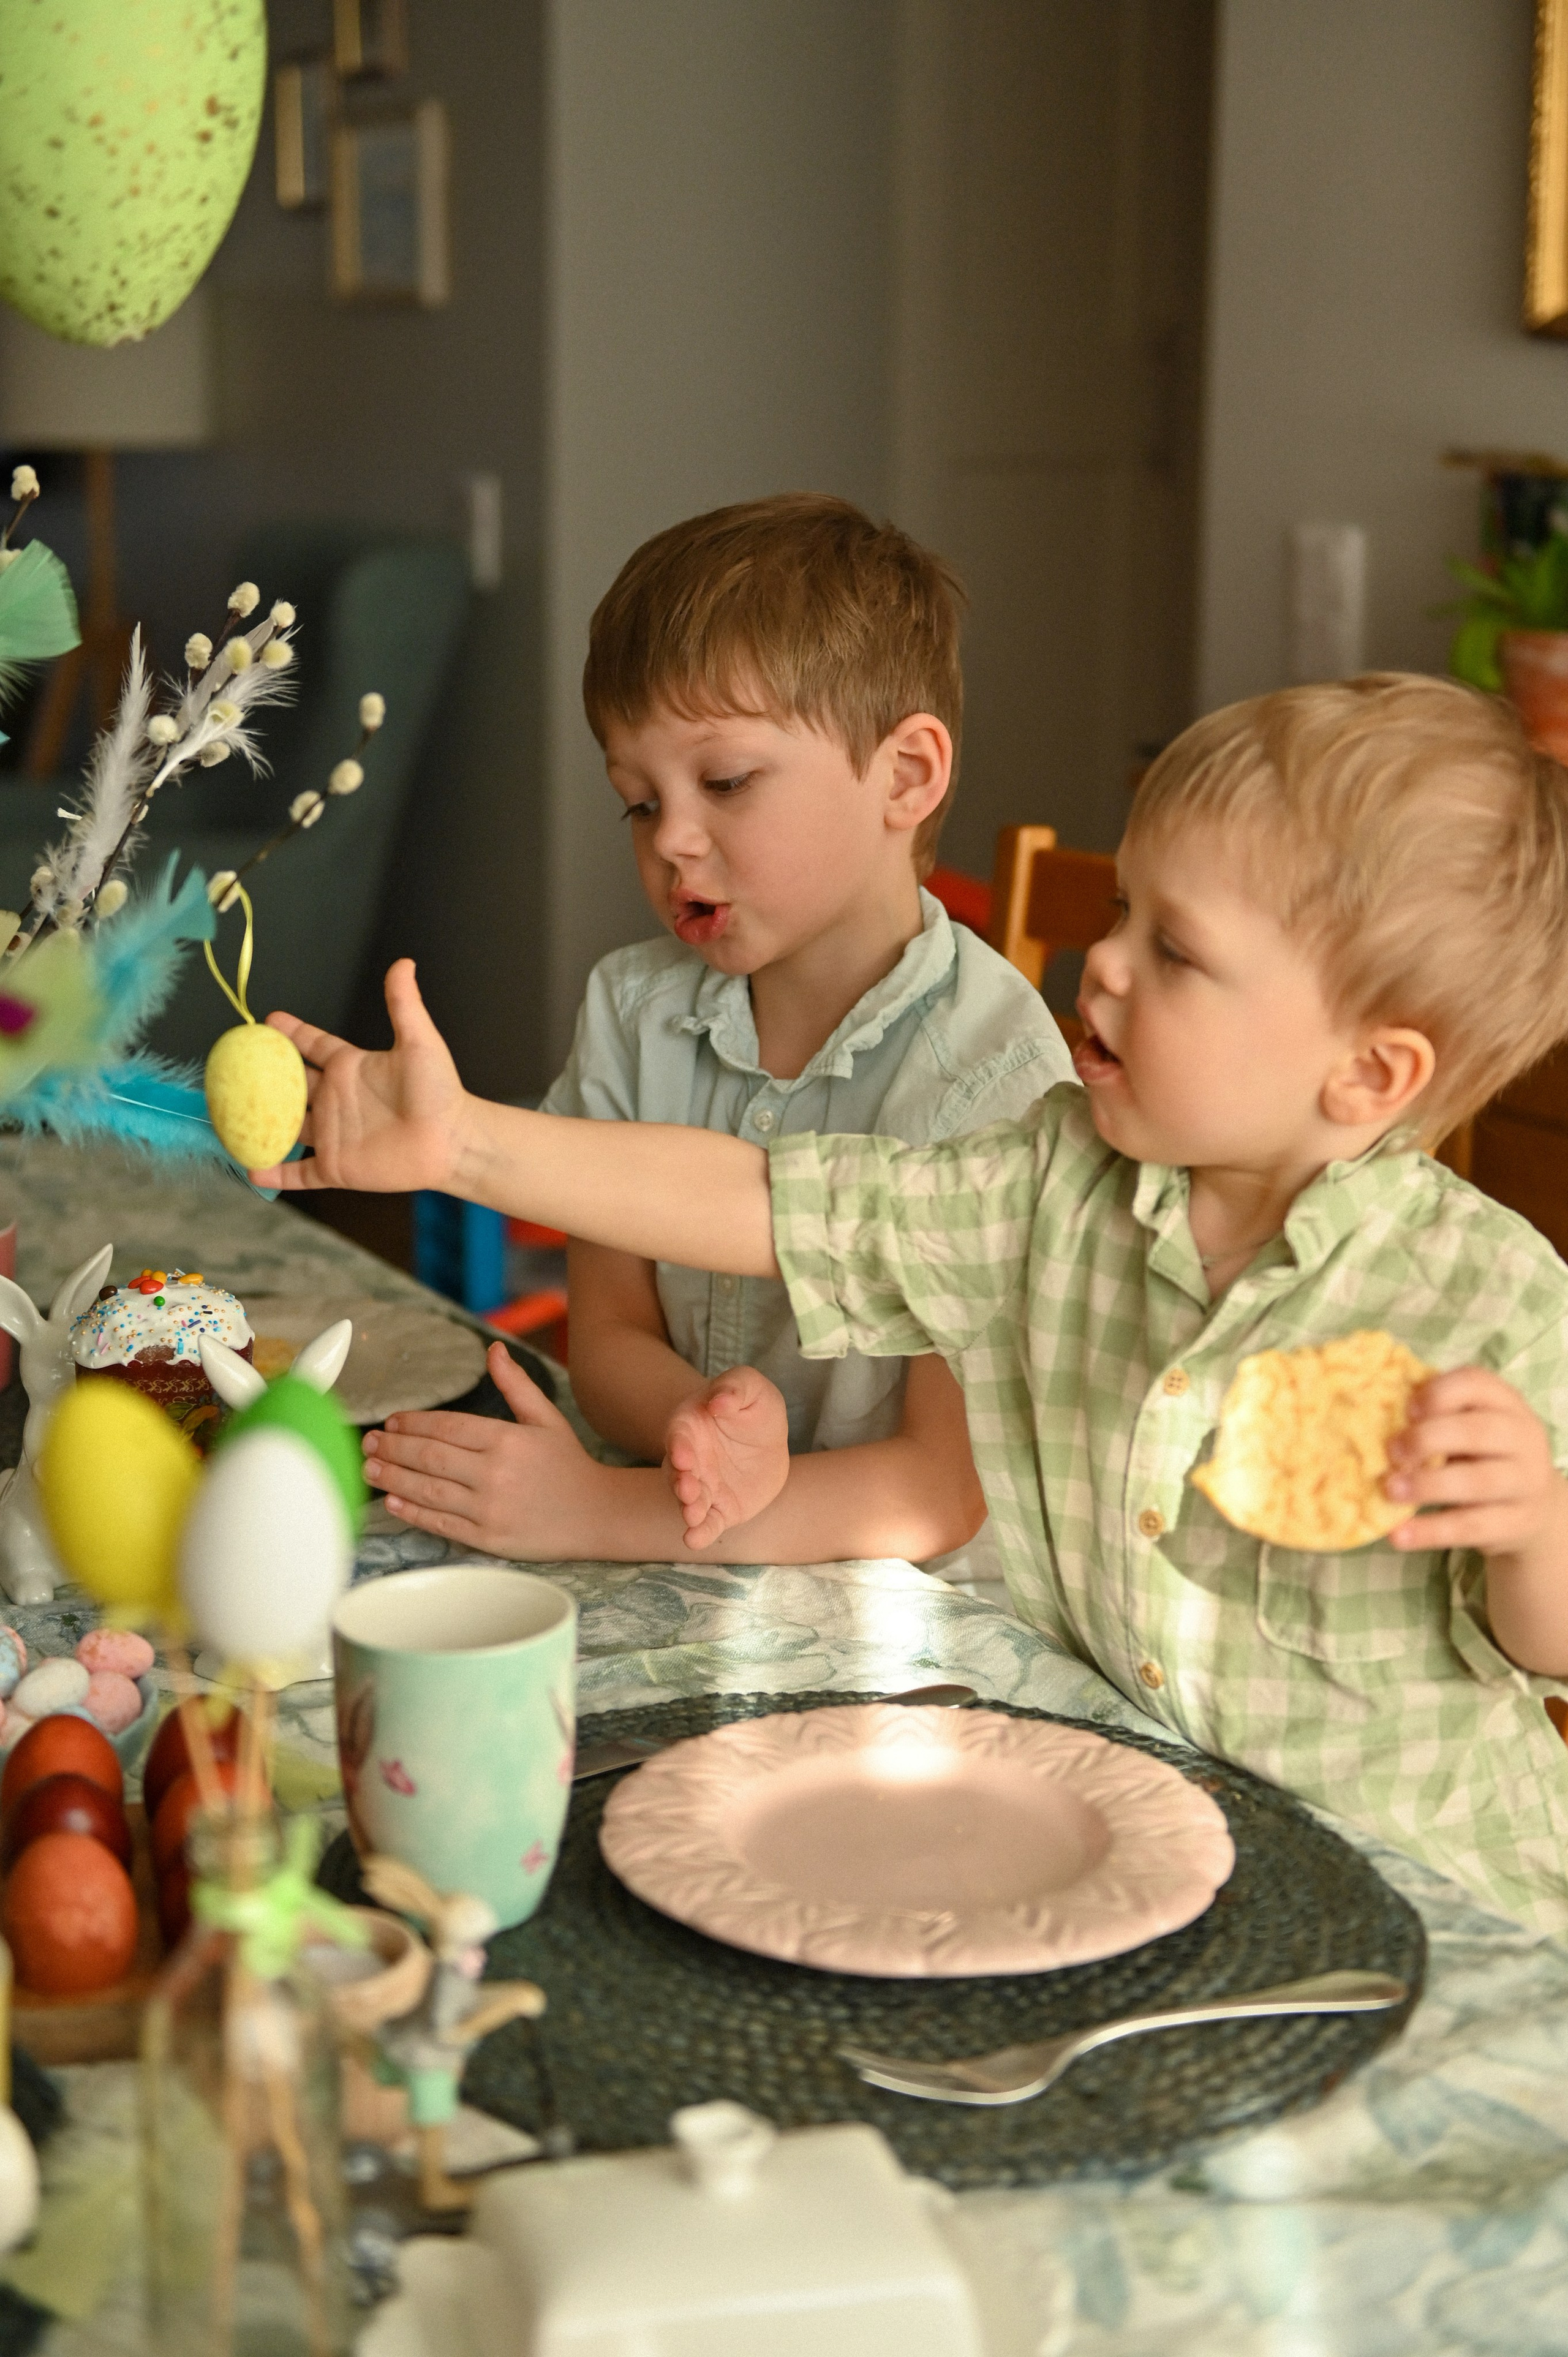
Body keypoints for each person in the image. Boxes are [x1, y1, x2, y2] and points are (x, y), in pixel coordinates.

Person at [259, 671, 1568, 1929]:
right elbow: (772, 1205)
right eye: (1119, 910)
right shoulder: (1054, 1179)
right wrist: (465, 1144)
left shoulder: (1490, 1298)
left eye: (1170, 950)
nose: (1100, 967)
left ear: (1367, 1074)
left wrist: (1532, 1526)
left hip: (1440, 1893)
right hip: (1166, 1851)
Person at [357, 494, 1074, 1564]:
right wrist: (704, 1426)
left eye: (726, 782)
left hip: (900, 1617)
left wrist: (603, 1512)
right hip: (695, 1565)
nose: (673, 842)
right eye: (638, 802)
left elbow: (933, 1494)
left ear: (908, 775)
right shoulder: (632, 1012)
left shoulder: (997, 1077)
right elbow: (608, 1336)